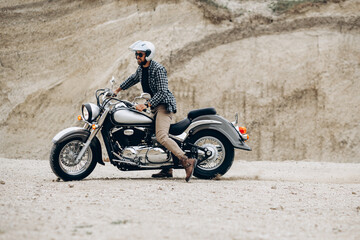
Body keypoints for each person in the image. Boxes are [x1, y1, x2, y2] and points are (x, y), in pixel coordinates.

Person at [114, 40, 197, 182]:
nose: (137, 57)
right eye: (136, 54)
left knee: (161, 136)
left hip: (164, 106)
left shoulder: (158, 69)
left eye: (140, 54)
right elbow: (133, 79)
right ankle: (167, 168)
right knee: (148, 134)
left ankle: (186, 161)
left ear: (148, 55)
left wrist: (146, 105)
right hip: (154, 106)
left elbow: (163, 92)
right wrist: (117, 90)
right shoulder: (141, 69)